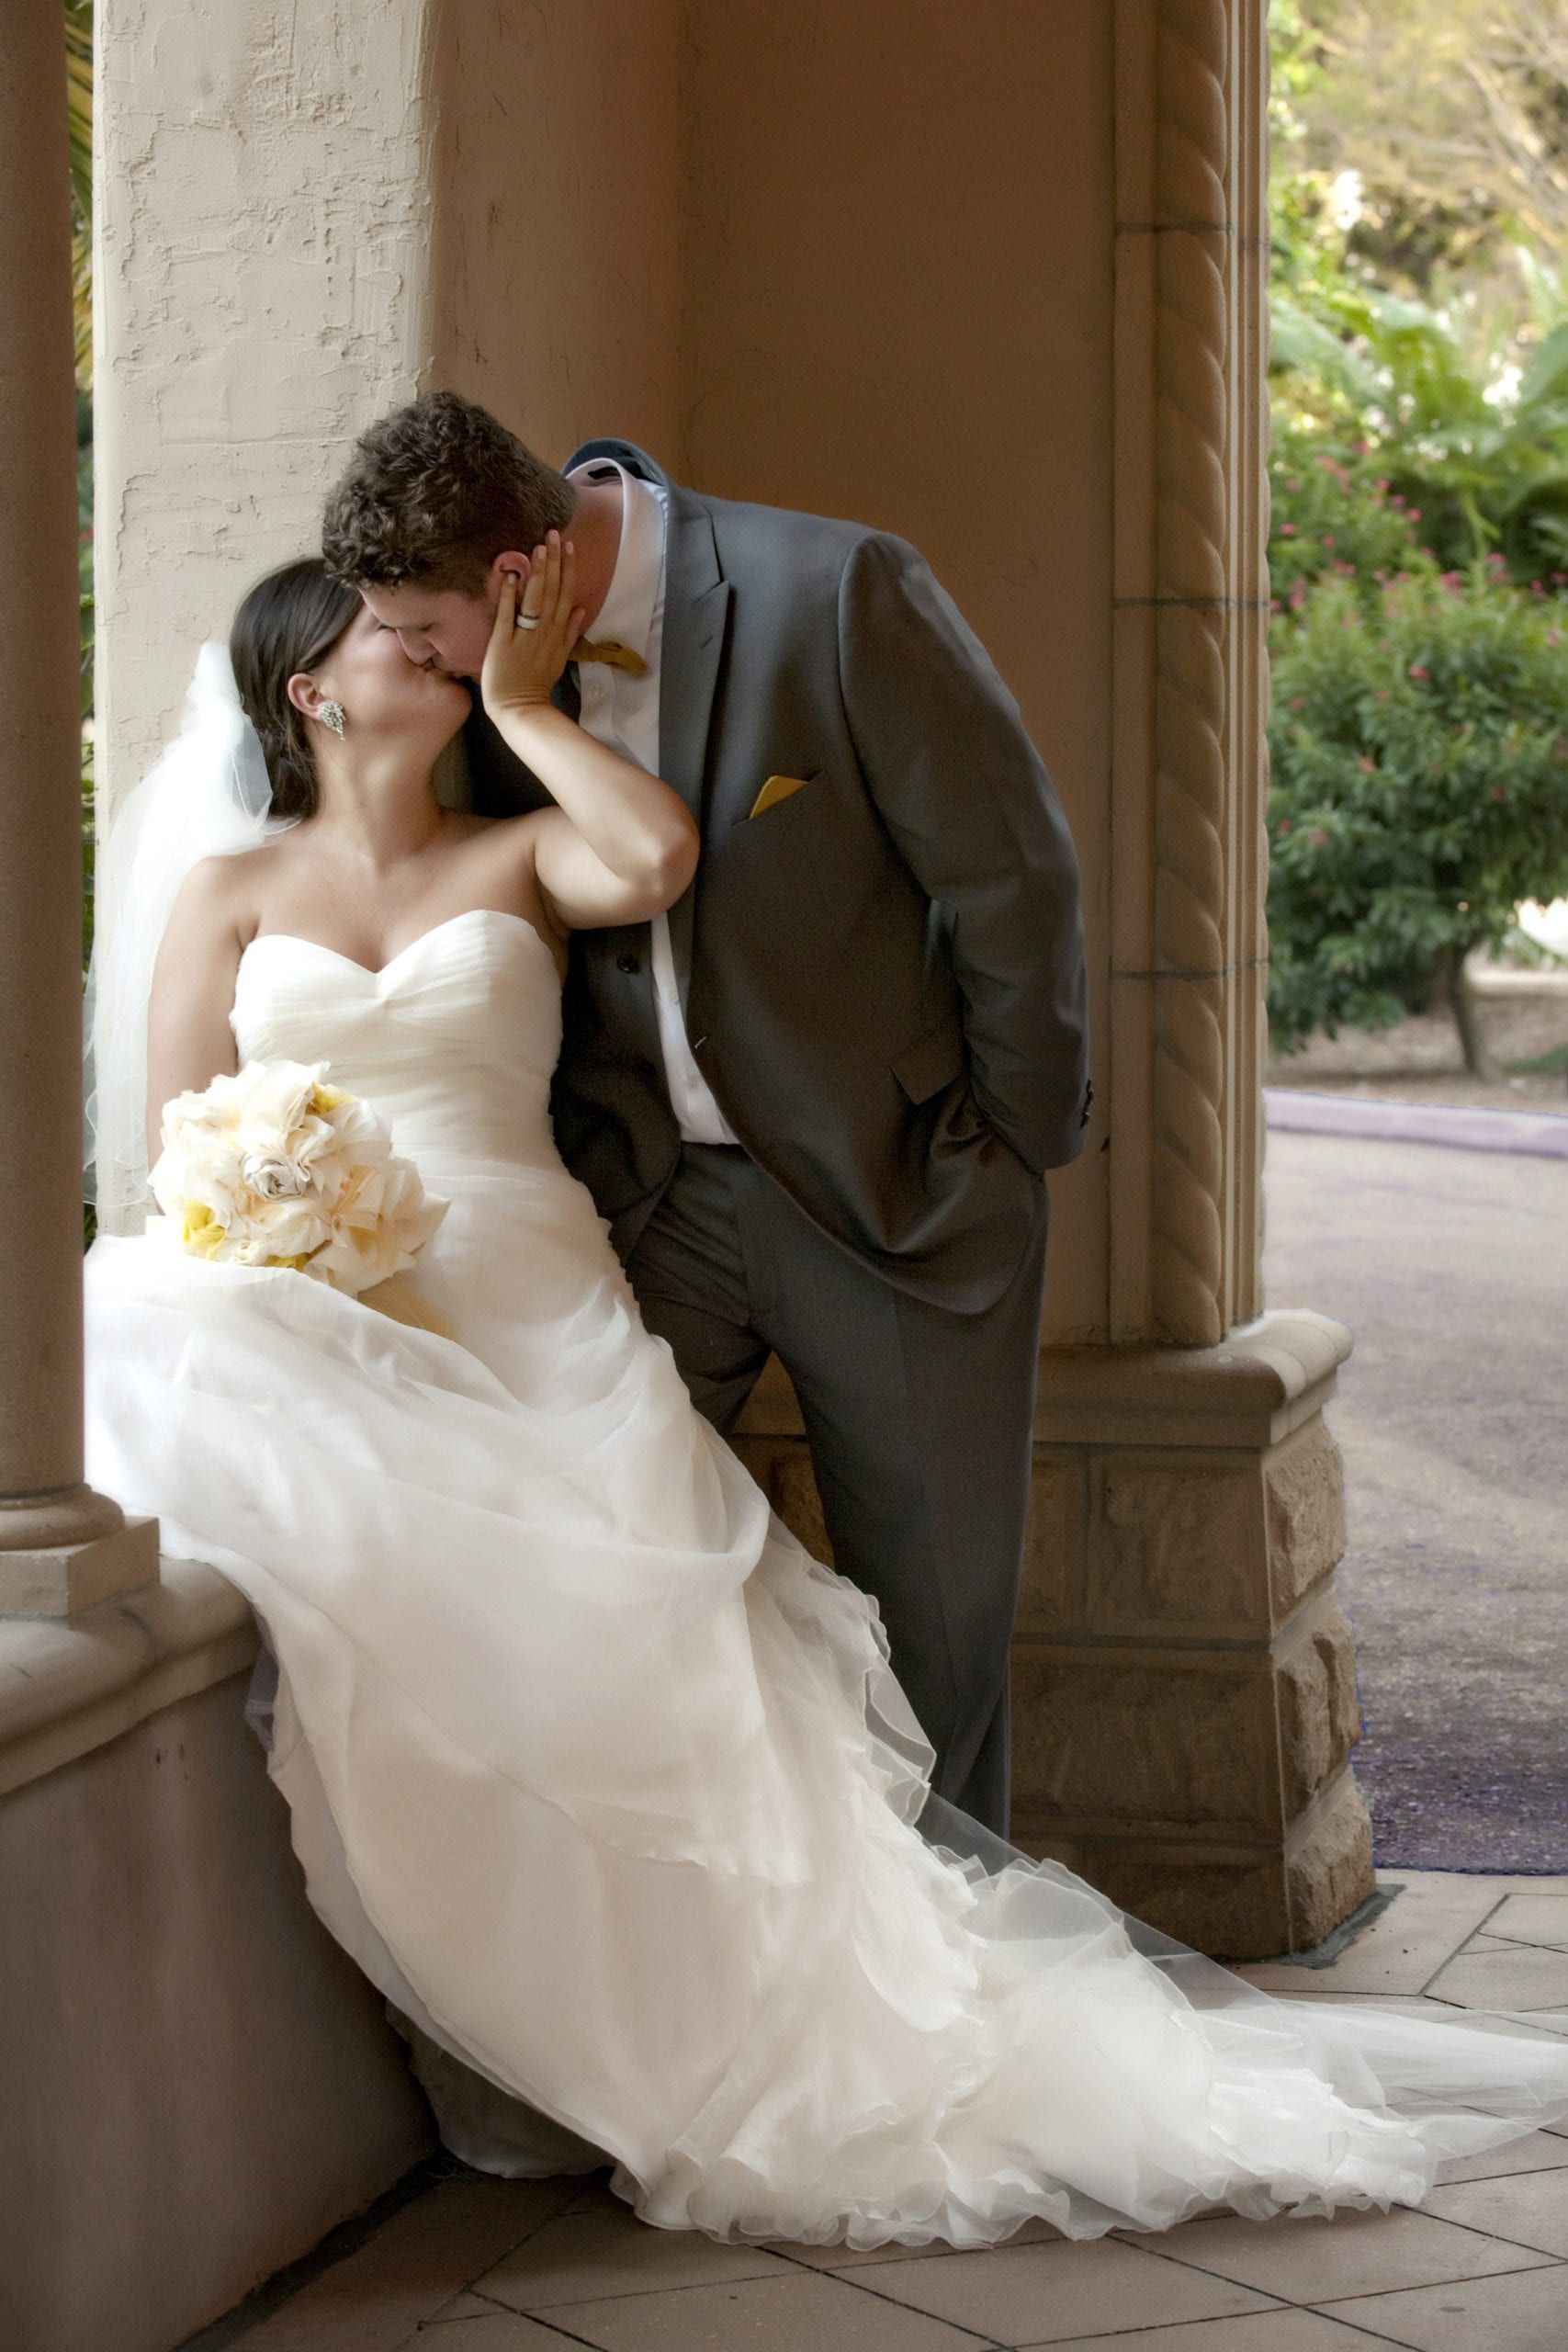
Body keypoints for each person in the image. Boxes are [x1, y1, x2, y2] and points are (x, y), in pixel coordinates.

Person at [81, 540, 1568, 2252]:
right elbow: (175, 1153)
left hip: (526, 1286)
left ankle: (735, 2034)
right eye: (399, 639)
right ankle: (545, 2033)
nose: (437, 649)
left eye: (446, 637)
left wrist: (523, 706)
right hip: (322, 1283)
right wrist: (270, 1220)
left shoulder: (518, 849)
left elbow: (653, 852)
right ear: (308, 687)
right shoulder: (229, 890)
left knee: (648, 1645)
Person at [321, 390, 1092, 1841]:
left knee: (934, 1642)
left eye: (423, 632)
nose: (408, 664)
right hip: (639, 1209)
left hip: (896, 1196)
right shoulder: (484, 689)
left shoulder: (837, 590)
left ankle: (975, 2013)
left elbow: (1011, 875)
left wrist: (1008, 1143)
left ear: (514, 576)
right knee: (582, 1589)